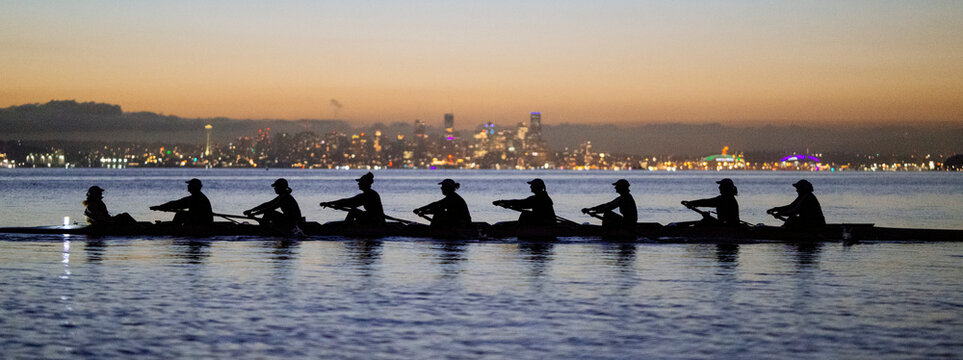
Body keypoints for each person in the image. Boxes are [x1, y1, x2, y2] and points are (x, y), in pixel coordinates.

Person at [319, 172, 385, 226]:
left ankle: (345, 229)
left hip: (376, 221)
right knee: (355, 211)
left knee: (353, 211)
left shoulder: (368, 195)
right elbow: (349, 202)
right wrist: (332, 204)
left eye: (360, 182)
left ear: (365, 184)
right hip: (375, 219)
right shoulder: (369, 193)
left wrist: (332, 203)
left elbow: (350, 202)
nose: (358, 184)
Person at [149, 178, 214, 227]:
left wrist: (160, 207)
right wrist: (162, 207)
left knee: (180, 214)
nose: (188, 186)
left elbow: (177, 204)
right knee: (181, 213)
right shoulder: (199, 197)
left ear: (194, 187)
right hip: (202, 221)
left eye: (189, 185)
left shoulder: (196, 198)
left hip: (201, 223)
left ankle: (174, 228)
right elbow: (178, 203)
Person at [492, 178, 556, 226]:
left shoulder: (538, 198)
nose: (530, 187)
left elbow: (520, 203)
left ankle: (519, 230)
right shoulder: (543, 197)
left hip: (544, 223)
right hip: (544, 221)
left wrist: (502, 202)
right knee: (526, 213)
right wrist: (506, 204)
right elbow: (521, 204)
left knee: (525, 214)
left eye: (532, 185)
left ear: (537, 187)